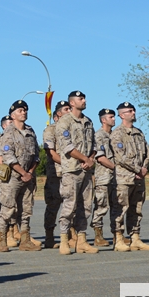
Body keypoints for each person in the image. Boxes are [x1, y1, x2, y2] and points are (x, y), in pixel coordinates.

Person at [55, 91, 98, 255]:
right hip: (72, 170)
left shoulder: (88, 121)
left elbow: (94, 144)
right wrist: (85, 159)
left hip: (86, 171)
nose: (84, 101)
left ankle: (82, 240)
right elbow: (67, 146)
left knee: (86, 206)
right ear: (72, 103)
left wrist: (90, 159)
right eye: (81, 99)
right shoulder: (64, 122)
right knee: (69, 206)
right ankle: (64, 240)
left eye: (84, 98)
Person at [0, 100, 41, 252]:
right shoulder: (8, 132)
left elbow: (36, 154)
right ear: (13, 114)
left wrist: (29, 172)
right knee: (8, 208)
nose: (24, 112)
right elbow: (8, 157)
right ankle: (3, 240)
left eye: (25, 110)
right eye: (20, 110)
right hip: (12, 178)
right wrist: (23, 173)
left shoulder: (30, 131)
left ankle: (25, 240)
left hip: (28, 176)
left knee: (26, 209)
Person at [110, 102, 149, 252]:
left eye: (133, 110)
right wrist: (137, 169)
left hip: (139, 178)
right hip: (124, 178)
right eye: (129, 111)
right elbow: (120, 157)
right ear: (121, 115)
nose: (133, 113)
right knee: (120, 208)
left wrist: (145, 167)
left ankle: (135, 237)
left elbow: (148, 151)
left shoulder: (139, 133)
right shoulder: (117, 133)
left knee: (137, 208)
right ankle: (119, 238)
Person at [42, 100, 71, 248]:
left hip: (71, 173)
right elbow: (50, 152)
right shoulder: (50, 130)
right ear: (57, 115)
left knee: (72, 205)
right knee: (53, 205)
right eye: (66, 109)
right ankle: (49, 237)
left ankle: (70, 237)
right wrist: (66, 164)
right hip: (57, 173)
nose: (69, 111)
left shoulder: (72, 128)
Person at [91, 108, 116, 248]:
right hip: (104, 177)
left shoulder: (115, 135)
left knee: (117, 207)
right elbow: (100, 157)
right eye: (111, 117)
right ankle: (98, 235)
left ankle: (116, 234)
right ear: (103, 119)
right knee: (101, 205)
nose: (114, 119)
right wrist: (117, 168)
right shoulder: (98, 136)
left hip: (116, 178)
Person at [0, 115, 14, 244]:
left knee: (18, 206)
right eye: (10, 123)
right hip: (6, 175)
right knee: (5, 204)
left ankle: (14, 231)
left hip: (18, 175)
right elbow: (1, 159)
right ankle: (2, 233)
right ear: (4, 126)